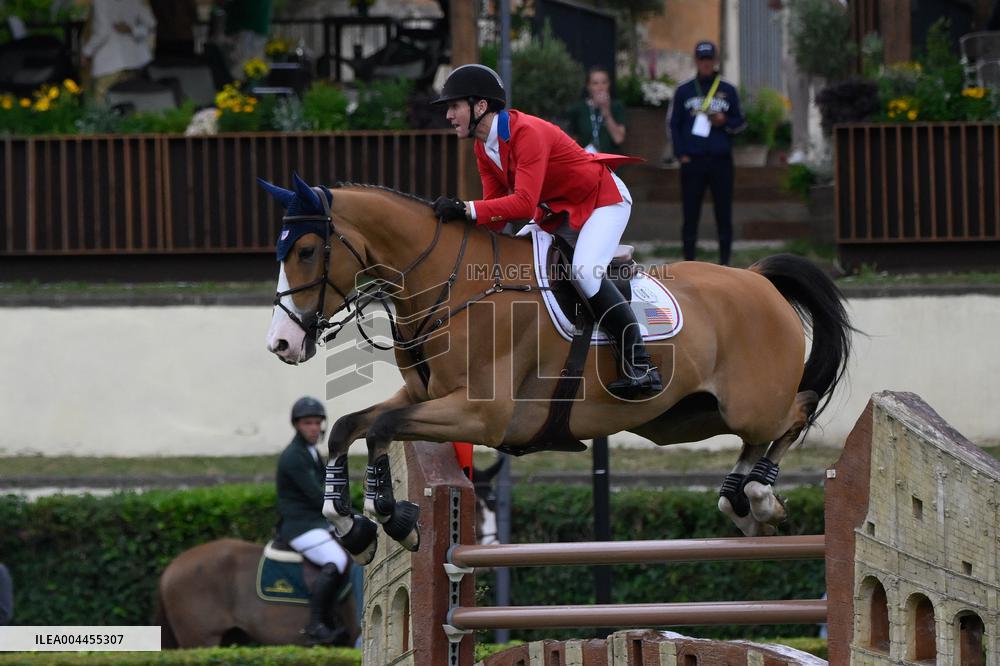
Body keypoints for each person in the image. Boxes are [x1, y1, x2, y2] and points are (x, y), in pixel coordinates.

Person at [430, 64, 662, 398]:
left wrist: (468, 208)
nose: (449, 115)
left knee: (583, 271)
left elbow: (522, 204)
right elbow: (497, 216)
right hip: (559, 210)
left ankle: (641, 366)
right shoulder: (483, 147)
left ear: (480, 106)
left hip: (602, 200)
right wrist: (459, 223)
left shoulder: (528, 133)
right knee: (519, 255)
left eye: (454, 107)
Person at [276, 396, 350, 645]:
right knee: (336, 559)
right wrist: (346, 516)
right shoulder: (294, 456)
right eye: (308, 423)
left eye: (317, 423)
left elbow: (328, 490)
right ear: (297, 425)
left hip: (316, 523)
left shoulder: (311, 453)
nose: (314, 428)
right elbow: (318, 496)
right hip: (301, 527)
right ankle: (316, 624)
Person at [669, 40, 745, 266]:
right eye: (702, 59)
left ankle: (725, 261)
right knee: (690, 214)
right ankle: (689, 261)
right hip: (692, 161)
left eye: (709, 59)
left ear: (715, 61)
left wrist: (725, 121)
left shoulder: (728, 90)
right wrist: (680, 153)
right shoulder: (684, 90)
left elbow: (740, 123)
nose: (705, 64)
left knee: (724, 213)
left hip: (720, 161)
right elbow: (673, 124)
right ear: (696, 61)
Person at [80, 0, 157, 104]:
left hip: (109, 62)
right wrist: (133, 30)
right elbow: (151, 24)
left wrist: (87, 52)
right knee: (130, 100)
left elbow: (102, 32)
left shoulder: (101, 2)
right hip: (133, 60)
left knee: (102, 101)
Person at [566, 65, 627, 154]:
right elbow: (572, 139)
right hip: (585, 161)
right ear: (588, 86)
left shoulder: (616, 107)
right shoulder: (579, 108)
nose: (600, 87)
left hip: (610, 163)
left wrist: (606, 113)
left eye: (604, 82)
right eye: (595, 83)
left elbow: (618, 139)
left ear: (609, 84)